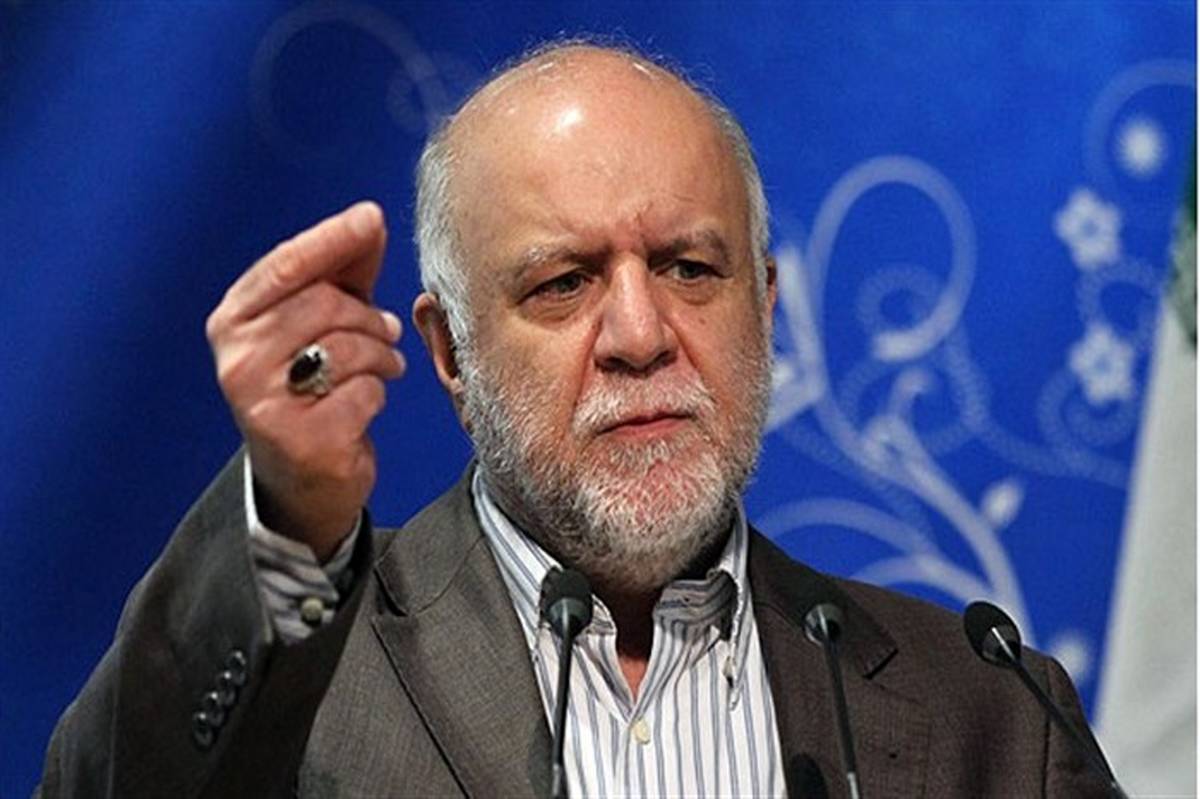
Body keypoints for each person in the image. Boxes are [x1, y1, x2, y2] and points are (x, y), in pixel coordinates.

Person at [38, 41, 1113, 798]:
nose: (641, 334)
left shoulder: (987, 710)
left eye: (690, 268)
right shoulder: (312, 675)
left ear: (764, 307)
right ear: (451, 354)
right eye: (563, 283)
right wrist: (285, 513)